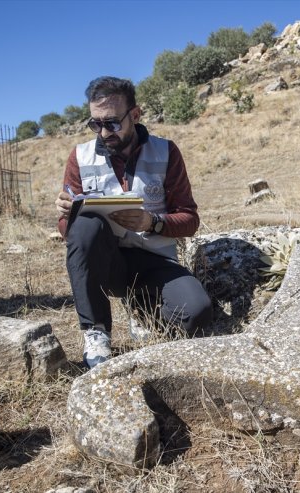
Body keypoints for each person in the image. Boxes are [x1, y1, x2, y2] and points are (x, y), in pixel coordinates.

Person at [55, 76, 212, 368]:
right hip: (107, 264)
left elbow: (190, 220)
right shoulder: (80, 157)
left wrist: (151, 222)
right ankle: (96, 331)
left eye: (112, 123)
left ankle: (140, 308)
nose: (103, 132)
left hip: (154, 260)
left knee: (198, 314)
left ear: (135, 115)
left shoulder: (166, 152)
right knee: (86, 224)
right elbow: (68, 233)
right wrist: (67, 216)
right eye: (95, 124)